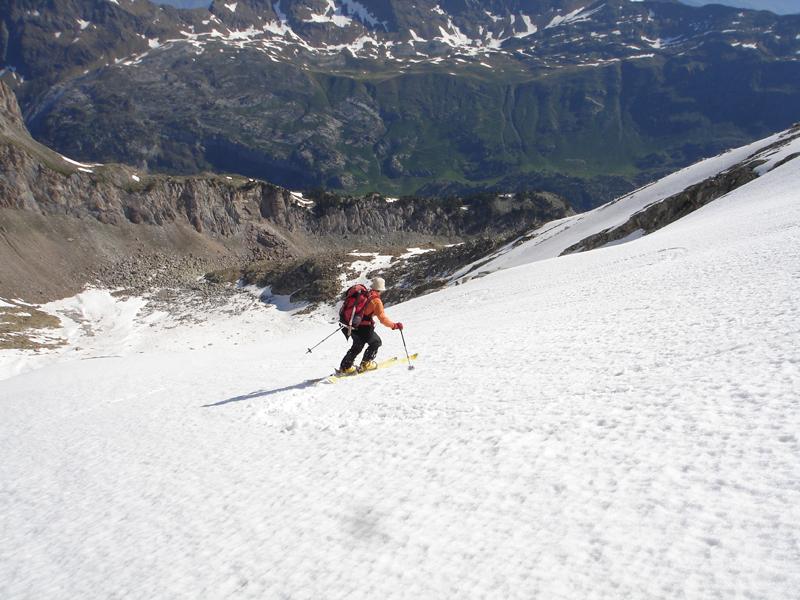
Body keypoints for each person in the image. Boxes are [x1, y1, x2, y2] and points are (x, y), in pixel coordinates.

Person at [338, 276, 403, 374]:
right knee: (376, 342)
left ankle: (345, 367)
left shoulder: (365, 294)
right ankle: (366, 363)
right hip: (364, 328)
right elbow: (383, 319)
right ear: (381, 289)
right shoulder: (376, 301)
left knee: (357, 346)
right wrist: (394, 326)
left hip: (353, 325)